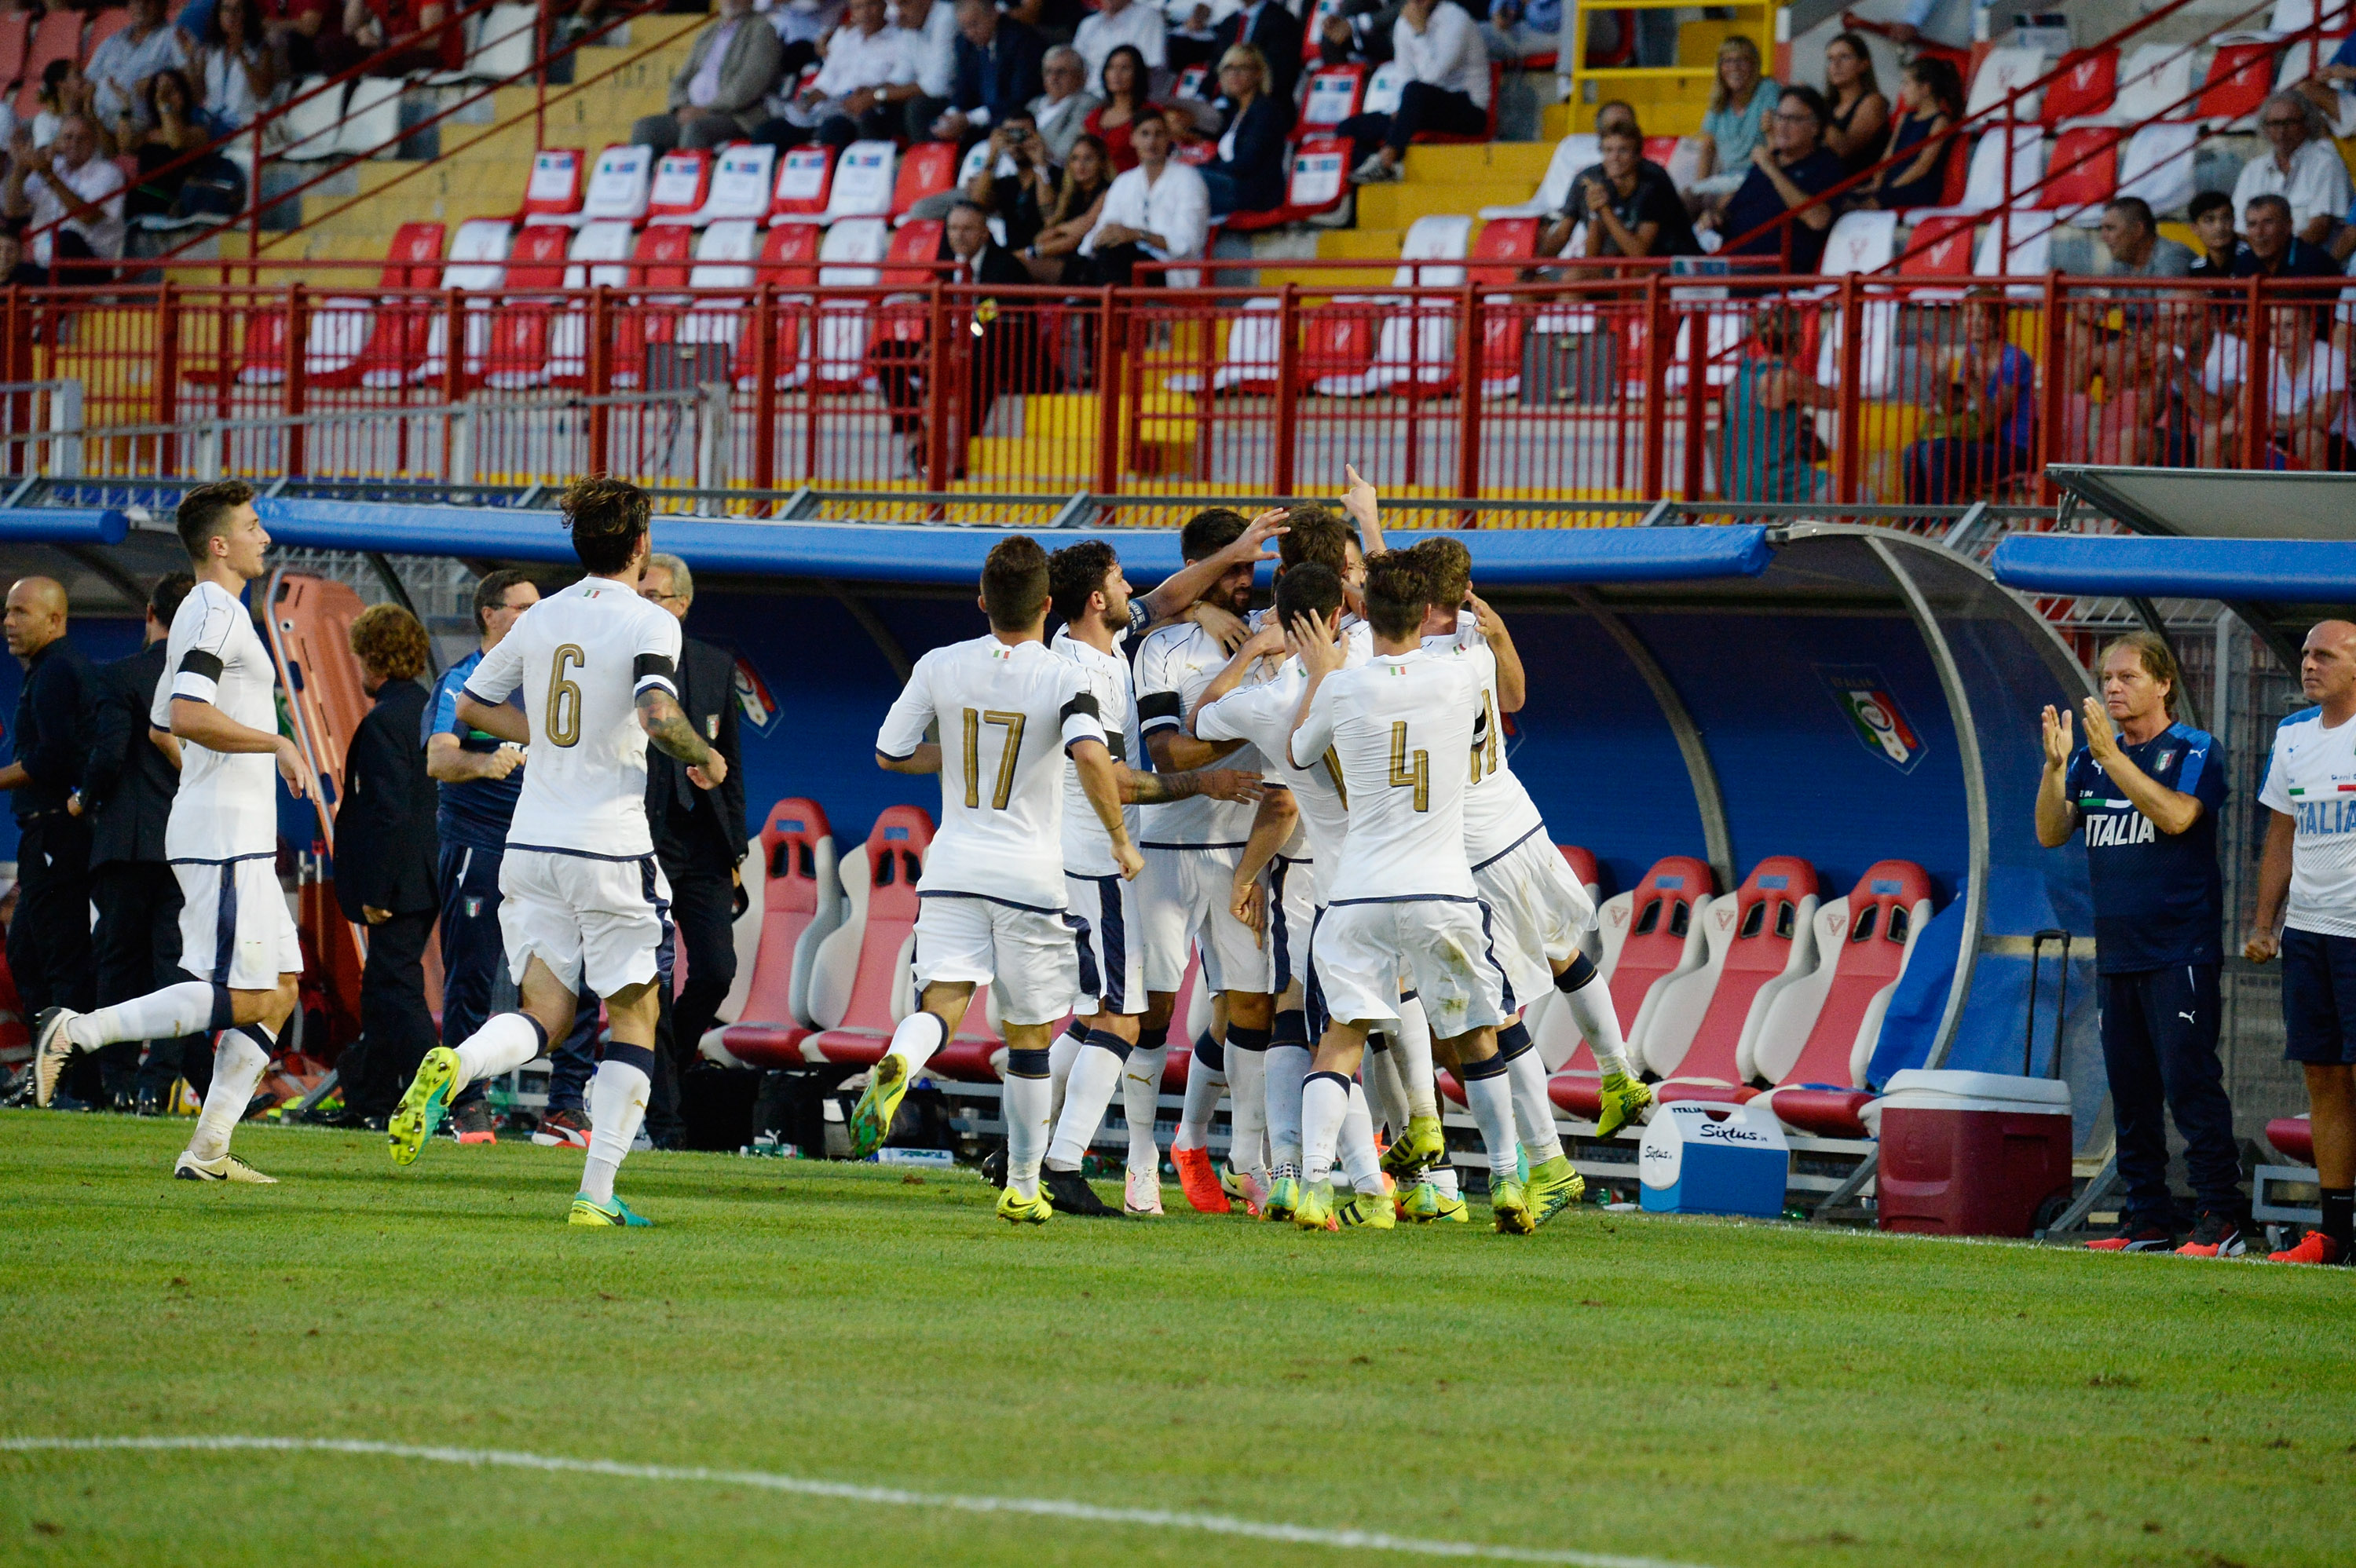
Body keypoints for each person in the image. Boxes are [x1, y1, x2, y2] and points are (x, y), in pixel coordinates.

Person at [386, 478, 727, 1228]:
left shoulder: (539, 620)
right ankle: (596, 1195)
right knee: (635, 1018)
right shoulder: (650, 621)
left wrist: (541, 732)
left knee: (544, 1012)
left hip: (530, 841)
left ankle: (460, 1063)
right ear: (641, 546)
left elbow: (471, 704)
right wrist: (704, 755)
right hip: (607, 844)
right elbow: (656, 709)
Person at [32, 481, 314, 1187]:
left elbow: (163, 721)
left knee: (279, 988)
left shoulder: (204, 611)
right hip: (224, 835)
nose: (265, 538)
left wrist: (212, 778)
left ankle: (210, 1148)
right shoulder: (215, 612)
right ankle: (75, 1029)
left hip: (226, 827)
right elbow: (186, 713)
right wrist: (275, 745)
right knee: (241, 994)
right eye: (253, 526)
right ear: (219, 544)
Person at [849, 535, 1136, 1224]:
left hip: (951, 868)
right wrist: (1121, 839)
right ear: (1046, 605)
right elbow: (1091, 757)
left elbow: (890, 753)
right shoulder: (1065, 676)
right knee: (1031, 1036)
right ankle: (1023, 1184)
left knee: (941, 1003)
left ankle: (899, 1059)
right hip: (1030, 877)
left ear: (982, 601)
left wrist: (961, 754)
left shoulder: (940, 664)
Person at [1282, 549, 1539, 1234]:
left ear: (1367, 614)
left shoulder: (1342, 685)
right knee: (1478, 1035)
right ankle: (1510, 1183)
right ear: (1427, 614)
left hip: (1359, 889)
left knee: (1340, 1039)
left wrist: (1319, 674)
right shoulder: (1459, 675)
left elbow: (1300, 753)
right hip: (1442, 888)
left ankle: (1312, 1188)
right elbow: (1492, 722)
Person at [1034, 533, 1271, 1215]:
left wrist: (1237, 550)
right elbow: (1115, 776)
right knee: (1126, 1018)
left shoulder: (1112, 639)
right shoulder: (1082, 671)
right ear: (1094, 598)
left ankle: (1026, 1148)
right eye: (1118, 578)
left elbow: (1166, 595)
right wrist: (1206, 780)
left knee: (1100, 1017)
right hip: (1103, 860)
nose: (1132, 587)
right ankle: (1069, 1162)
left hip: (1110, 858)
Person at [1414, 534, 1648, 1146]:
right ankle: (1619, 1074)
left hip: (1474, 847)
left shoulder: (1421, 658)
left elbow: (1377, 616)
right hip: (1520, 821)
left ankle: (1541, 1158)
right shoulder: (1479, 632)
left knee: (1500, 1002)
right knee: (1562, 948)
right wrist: (1501, 634)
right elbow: (1516, 697)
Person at [2035, 634, 2244, 1257]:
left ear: (2163, 684)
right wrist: (2054, 768)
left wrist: (2113, 756)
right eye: (2107, 676)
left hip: (2179, 950)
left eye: (2127, 675)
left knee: (2189, 1083)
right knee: (2130, 1091)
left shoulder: (2195, 749)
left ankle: (2221, 1217)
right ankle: (2147, 1218)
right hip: (2119, 952)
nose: (2113, 687)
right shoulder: (2090, 760)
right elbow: (2051, 831)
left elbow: (2178, 816)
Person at [1126, 507, 1302, 1212]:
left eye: (1248, 570)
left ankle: (1245, 1158)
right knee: (1155, 1009)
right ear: (1201, 566)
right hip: (1166, 847)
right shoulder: (1161, 647)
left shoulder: (1267, 624)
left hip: (1241, 850)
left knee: (1253, 1006)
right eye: (1228, 569)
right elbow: (1167, 752)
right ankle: (1142, 1160)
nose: (1242, 583)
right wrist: (1243, 718)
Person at [421, 570, 601, 1149]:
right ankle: (464, 1101)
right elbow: (439, 758)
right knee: (472, 971)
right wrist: (483, 763)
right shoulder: (464, 681)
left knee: (580, 972)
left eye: (539, 607)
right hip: (483, 840)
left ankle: (566, 1105)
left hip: (553, 845)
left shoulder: (554, 679)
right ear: (489, 614)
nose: (536, 617)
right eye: (523, 608)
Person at [2248, 619, 2356, 1266]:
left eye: (2325, 655)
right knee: (2323, 1075)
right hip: (2310, 933)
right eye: (2306, 654)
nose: (2308, 664)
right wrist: (2266, 922)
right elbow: (2281, 836)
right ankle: (2335, 1231)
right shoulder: (2291, 738)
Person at [635, 552, 746, 1151]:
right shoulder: (624, 667)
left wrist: (736, 850)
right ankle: (667, 1121)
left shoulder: (712, 664)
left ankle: (666, 1069)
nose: (646, 605)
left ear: (682, 603)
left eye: (657, 596)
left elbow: (732, 762)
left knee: (715, 969)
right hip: (643, 838)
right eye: (640, 593)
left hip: (702, 840)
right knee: (652, 975)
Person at [82, 572, 203, 1116]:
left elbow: (107, 756)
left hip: (128, 845)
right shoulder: (204, 685)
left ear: (150, 612)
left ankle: (118, 1079)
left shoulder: (119, 676)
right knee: (174, 965)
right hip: (185, 845)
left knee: (119, 962)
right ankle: (161, 1083)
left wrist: (84, 800)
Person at [330, 605, 441, 1131]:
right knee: (381, 986)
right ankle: (371, 1098)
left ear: (373, 659)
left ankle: (434, 1092)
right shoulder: (429, 710)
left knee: (394, 985)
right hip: (427, 872)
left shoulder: (382, 723)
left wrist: (376, 888)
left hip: (396, 882)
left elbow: (386, 812)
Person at [2, 576, 95, 1088]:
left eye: (21, 611)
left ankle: (76, 1080)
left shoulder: (59, 670)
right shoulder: (48, 670)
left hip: (58, 834)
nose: (8, 622)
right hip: (44, 833)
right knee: (27, 953)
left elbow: (52, 757)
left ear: (55, 619)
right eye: (7, 612)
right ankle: (55, 1071)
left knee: (61, 957)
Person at [1901, 289, 2034, 505]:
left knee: (1937, 451)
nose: (1975, 322)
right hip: (1978, 444)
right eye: (1969, 315)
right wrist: (1943, 374)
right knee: (1913, 452)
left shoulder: (2015, 359)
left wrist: (1972, 382)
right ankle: (1916, 527)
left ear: (1998, 321)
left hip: (2011, 451)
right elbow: (1952, 408)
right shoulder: (1970, 356)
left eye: (1983, 315)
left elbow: (1992, 421)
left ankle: (1943, 524)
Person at [1339, 0, 1488, 187]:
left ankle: (1386, 159)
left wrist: (1419, 33)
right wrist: (1401, 110)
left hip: (1467, 108)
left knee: (1414, 91)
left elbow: (1433, 76)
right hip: (1420, 107)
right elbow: (1405, 75)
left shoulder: (1457, 19)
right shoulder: (1403, 23)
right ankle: (1387, 172)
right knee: (1348, 128)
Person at [1704, 84, 1842, 273]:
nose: (1782, 125)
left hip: (1775, 275)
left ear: (1815, 127)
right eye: (1779, 117)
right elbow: (1736, 209)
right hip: (1728, 263)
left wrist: (1770, 168)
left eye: (1793, 119)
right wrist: (1715, 216)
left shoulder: (1826, 165)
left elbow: (1818, 219)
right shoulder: (1768, 160)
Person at [629, 0, 785, 154]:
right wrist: (681, 107)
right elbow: (681, 79)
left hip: (737, 116)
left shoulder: (762, 30)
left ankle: (688, 179)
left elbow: (750, 84)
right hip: (692, 111)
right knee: (645, 128)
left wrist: (707, 110)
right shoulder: (709, 32)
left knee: (696, 130)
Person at [1718, 303, 1833, 503]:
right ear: (1798, 339)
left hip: (1736, 485)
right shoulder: (1787, 378)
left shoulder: (1740, 376)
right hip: (1775, 482)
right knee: (1862, 497)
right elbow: (1839, 401)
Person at [1079, 111, 1206, 287]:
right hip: (1122, 263)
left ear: (1168, 138)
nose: (1151, 142)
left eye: (1158, 134)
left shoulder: (1189, 179)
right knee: (1089, 259)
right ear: (1133, 139)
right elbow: (1105, 226)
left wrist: (1138, 235)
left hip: (1172, 272)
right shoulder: (1124, 181)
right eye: (1144, 134)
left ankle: (1092, 305)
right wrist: (1103, 236)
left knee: (1117, 254)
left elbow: (1188, 245)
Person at [3, 114, 128, 280]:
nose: (74, 143)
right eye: (68, 137)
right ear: (59, 141)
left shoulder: (108, 173)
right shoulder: (52, 166)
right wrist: (20, 167)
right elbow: (13, 210)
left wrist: (49, 175)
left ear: (94, 142)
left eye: (82, 138)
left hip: (90, 265)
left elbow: (87, 216)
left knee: (66, 238)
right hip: (47, 266)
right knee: (10, 271)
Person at [1550, 122, 1698, 261]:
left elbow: (1639, 254)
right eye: (1608, 150)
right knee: (1576, 276)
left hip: (1675, 265)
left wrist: (1605, 209)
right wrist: (1595, 212)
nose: (1615, 158)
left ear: (1637, 155)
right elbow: (1591, 259)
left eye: (1623, 150)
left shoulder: (1653, 186)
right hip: (1629, 269)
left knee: (1622, 273)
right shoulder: (1602, 182)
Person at [792, 0, 920, 149]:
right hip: (825, 108)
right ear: (852, 12)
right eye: (858, 7)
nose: (865, 13)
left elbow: (898, 81)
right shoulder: (844, 36)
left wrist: (871, 95)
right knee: (771, 131)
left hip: (866, 106)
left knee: (833, 128)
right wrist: (809, 99)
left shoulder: (900, 38)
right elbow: (826, 79)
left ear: (884, 6)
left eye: (871, 5)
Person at [2230, 92, 2350, 252]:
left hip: (2308, 262)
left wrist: (2278, 259)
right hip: (2260, 261)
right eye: (2274, 124)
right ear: (2265, 128)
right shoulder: (2253, 169)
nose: (2282, 131)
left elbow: (2319, 229)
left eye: (2290, 122)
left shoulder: (2326, 163)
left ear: (2307, 124)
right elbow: (2239, 229)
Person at [1852, 54, 1960, 212]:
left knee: (1867, 203)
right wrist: (1877, 182)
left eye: (1907, 84)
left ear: (1925, 89)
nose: (1902, 90)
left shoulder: (1940, 121)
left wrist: (1891, 187)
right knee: (1851, 194)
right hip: (1893, 183)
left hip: (1917, 186)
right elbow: (1889, 154)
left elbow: (1922, 166)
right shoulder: (1905, 117)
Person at [933, 0, 1045, 149]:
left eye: (974, 24)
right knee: (932, 123)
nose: (970, 33)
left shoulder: (1022, 41)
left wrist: (969, 119)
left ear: (993, 14)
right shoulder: (964, 43)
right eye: (964, 27)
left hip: (1010, 115)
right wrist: (951, 116)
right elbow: (962, 87)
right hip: (977, 117)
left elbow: (1020, 97)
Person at [1198, 43, 1289, 219]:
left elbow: (1247, 163)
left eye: (1242, 68)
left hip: (1254, 193)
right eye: (1228, 68)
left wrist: (1200, 170)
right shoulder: (1233, 113)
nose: (1234, 74)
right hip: (1231, 184)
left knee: (1187, 181)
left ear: (1258, 74)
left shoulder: (1266, 110)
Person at [1687, 35, 1776, 209]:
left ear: (1754, 64)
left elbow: (1775, 144)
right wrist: (1698, 192)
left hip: (1759, 177)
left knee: (1724, 204)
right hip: (1727, 178)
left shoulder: (1768, 90)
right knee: (1684, 200)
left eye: (1742, 60)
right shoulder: (1720, 100)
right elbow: (1707, 148)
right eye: (1728, 61)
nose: (1734, 67)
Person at [84, 0, 197, 133]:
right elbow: (87, 81)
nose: (141, 5)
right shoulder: (112, 41)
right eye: (135, 1)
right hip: (98, 128)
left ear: (164, 5)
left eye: (148, 1)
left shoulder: (175, 36)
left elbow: (192, 84)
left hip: (145, 129)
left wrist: (156, 82)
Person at [1019, 130, 1110, 283]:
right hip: (1060, 259)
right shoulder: (1070, 194)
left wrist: (1031, 252)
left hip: (1088, 265)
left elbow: (1080, 232)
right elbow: (1047, 227)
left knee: (1014, 264)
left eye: (1088, 159)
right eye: (1075, 159)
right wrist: (1041, 165)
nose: (1080, 165)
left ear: (1101, 162)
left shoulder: (1108, 191)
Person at [199, 0, 279, 133]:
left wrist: (241, 56)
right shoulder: (212, 49)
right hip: (211, 119)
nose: (231, 15)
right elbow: (199, 95)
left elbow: (264, 92)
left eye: (237, 10)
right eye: (225, 9)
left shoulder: (261, 49)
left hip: (240, 124)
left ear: (247, 15)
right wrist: (191, 60)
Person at [1820, 30, 1888, 178]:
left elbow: (1844, 149)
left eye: (1844, 57)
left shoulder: (1873, 102)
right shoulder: (1827, 105)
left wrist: (1814, 110)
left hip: (1852, 188)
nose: (1835, 65)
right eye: (1830, 59)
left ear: (1863, 65)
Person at [1209, 0, 1302, 106]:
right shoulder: (1229, 22)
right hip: (1223, 101)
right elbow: (1215, 64)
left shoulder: (1282, 20)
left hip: (1264, 103)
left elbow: (1280, 72)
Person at [2232, 192, 2341, 281]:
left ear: (2288, 225)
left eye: (2268, 222)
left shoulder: (2315, 263)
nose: (2259, 232)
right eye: (2252, 224)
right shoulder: (2244, 262)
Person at [1082, 42, 1154, 173]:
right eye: (1111, 67)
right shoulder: (1094, 115)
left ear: (1138, 74)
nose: (1116, 74)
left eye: (1125, 68)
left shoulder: (1151, 113)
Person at [1028, 45, 1098, 163]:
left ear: (1080, 76)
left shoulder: (1086, 104)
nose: (1054, 78)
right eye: (1048, 72)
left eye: (1061, 72)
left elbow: (1064, 151)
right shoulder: (1035, 104)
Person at [1073, 0, 1163, 85]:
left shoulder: (1147, 17)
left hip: (1122, 96)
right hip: (1083, 96)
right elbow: (1073, 66)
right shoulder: (1088, 24)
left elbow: (1150, 68)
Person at [2187, 190, 2244, 280]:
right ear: (2194, 228)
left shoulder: (2252, 257)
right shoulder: (2197, 269)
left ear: (2234, 221)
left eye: (2226, 218)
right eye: (2209, 220)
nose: (2219, 227)